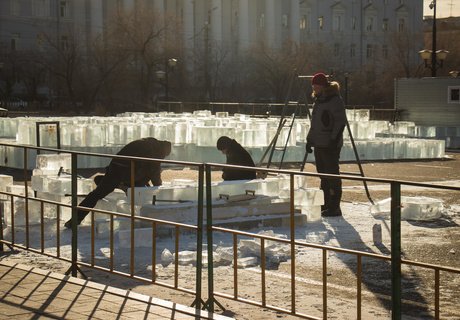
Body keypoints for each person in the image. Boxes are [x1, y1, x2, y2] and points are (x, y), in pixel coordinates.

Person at [65, 137, 172, 228]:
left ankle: (74, 220)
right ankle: (140, 221)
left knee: (96, 194)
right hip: (125, 172)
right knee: (138, 193)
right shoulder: (155, 152)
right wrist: (160, 191)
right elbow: (155, 174)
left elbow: (147, 169)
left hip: (116, 168)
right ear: (164, 151)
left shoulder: (148, 143)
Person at [306, 72, 347, 217]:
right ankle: (326, 204)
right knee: (323, 175)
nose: (314, 88)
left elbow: (340, 121)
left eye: (316, 86)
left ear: (322, 86)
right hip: (319, 143)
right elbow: (314, 124)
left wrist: (334, 140)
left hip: (330, 144)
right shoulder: (318, 100)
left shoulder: (334, 100)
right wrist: (309, 140)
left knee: (332, 175)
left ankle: (334, 206)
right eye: (313, 86)